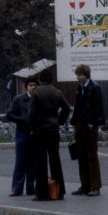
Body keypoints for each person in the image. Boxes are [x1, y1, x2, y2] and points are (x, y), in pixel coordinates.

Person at [28, 69, 70, 201]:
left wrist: (31, 127)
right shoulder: (57, 91)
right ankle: (59, 191)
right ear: (51, 79)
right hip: (53, 129)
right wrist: (60, 120)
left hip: (39, 130)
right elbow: (67, 108)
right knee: (55, 159)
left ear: (40, 80)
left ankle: (42, 193)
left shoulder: (37, 92)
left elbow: (32, 113)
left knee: (41, 162)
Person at [70, 64, 104, 197]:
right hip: (79, 125)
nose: (78, 77)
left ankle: (95, 187)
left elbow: (98, 107)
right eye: (77, 75)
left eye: (80, 75)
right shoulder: (80, 88)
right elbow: (78, 106)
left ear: (86, 75)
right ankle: (85, 185)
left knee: (92, 156)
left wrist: (93, 123)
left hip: (89, 126)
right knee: (81, 156)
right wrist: (74, 123)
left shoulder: (94, 87)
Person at [4, 78, 37, 197]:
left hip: (35, 134)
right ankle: (17, 188)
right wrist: (21, 120)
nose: (32, 87)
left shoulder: (38, 99)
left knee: (33, 162)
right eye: (30, 85)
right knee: (20, 161)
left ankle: (31, 187)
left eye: (34, 85)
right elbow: (9, 114)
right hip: (22, 133)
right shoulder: (19, 99)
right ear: (26, 87)